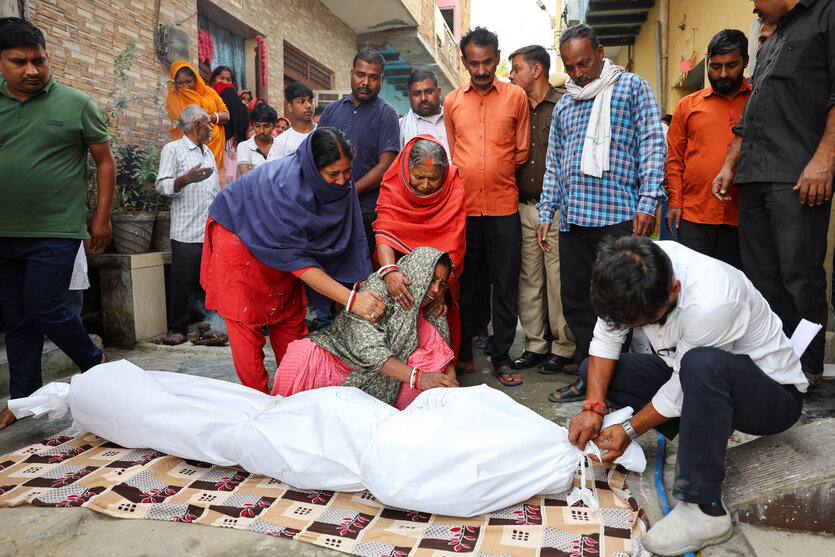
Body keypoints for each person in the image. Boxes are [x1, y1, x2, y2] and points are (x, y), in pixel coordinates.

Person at [567, 235, 806, 555]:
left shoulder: (713, 300)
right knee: (592, 371)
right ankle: (704, 427)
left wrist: (628, 429)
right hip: (696, 373)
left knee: (700, 364)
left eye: (646, 322)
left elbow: (681, 387)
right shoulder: (628, 271)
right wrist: (593, 407)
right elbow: (605, 340)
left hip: (772, 396)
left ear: (674, 290)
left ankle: (704, 510)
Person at [538, 24, 666, 401]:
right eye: (571, 67)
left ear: (600, 51)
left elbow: (653, 147)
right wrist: (547, 211)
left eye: (584, 63)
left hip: (619, 218)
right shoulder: (565, 104)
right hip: (575, 219)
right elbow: (554, 164)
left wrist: (647, 203)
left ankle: (618, 379)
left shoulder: (632, 88)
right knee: (578, 302)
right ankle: (586, 375)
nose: (578, 73)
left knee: (620, 304)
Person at [202, 127, 382, 393]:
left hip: (279, 244)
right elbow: (299, 264)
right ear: (312, 167)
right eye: (333, 174)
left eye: (348, 172)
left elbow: (352, 236)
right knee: (246, 319)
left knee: (288, 313)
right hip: (237, 236)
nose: (343, 181)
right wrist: (352, 300)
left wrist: (366, 288)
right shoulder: (285, 188)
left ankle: (296, 391)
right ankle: (257, 402)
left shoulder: (340, 185)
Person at [712, 0, 835, 388]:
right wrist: (730, 164)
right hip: (754, 174)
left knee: (799, 275)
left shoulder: (826, 15)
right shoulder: (774, 32)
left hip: (796, 174)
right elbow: (753, 111)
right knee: (761, 279)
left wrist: (824, 160)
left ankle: (806, 367)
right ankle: (774, 362)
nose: (752, 6)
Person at [0, 17, 113, 429]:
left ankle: (93, 361)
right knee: (17, 317)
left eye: (39, 61)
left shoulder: (75, 103)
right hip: (4, 230)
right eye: (19, 62)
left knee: (45, 305)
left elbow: (104, 160)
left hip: (56, 228)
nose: (32, 70)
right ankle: (24, 399)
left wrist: (100, 218)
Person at [444, 26, 530, 386]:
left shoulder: (516, 98)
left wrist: (492, 172)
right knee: (464, 285)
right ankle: (462, 356)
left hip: (503, 208)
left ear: (497, 57)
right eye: (474, 63)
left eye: (488, 62)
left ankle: (502, 357)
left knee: (505, 285)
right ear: (464, 61)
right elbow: (453, 151)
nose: (481, 70)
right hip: (463, 211)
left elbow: (522, 150)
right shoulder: (452, 102)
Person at [272, 247, 459, 408]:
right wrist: (420, 378)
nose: (435, 290)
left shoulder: (431, 309)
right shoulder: (378, 290)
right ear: (417, 273)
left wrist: (452, 394)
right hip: (343, 360)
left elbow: (443, 357)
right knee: (302, 353)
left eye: (442, 284)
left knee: (428, 360)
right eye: (430, 279)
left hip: (389, 375)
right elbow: (368, 349)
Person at [507, 44, 576, 376]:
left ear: (536, 70)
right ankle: (535, 344)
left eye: (516, 68)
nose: (510, 75)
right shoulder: (514, 106)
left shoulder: (564, 104)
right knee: (528, 279)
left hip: (558, 209)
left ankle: (563, 347)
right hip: (522, 207)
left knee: (557, 278)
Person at [373, 136, 467, 363]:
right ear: (407, 169)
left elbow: (453, 243)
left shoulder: (453, 187)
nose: (425, 186)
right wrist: (389, 272)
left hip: (440, 278)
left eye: (433, 179)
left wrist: (441, 289)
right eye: (418, 177)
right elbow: (384, 229)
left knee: (437, 333)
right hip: (397, 275)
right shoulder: (394, 180)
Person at [665, 30, 751, 268]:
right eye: (715, 66)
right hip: (695, 216)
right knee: (693, 284)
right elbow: (674, 160)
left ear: (745, 61)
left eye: (731, 65)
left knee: (735, 288)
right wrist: (675, 203)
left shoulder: (757, 100)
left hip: (743, 217)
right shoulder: (687, 106)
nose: (722, 74)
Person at [317, 48, 400, 256]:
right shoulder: (332, 110)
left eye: (373, 77)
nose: (365, 82)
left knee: (359, 269)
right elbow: (315, 153)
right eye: (360, 75)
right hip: (328, 205)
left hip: (365, 210)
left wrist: (350, 190)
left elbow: (386, 165)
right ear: (352, 73)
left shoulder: (386, 113)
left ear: (381, 79)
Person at [155, 105, 221, 346]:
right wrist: (186, 179)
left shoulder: (208, 153)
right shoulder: (173, 150)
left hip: (209, 231)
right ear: (196, 125)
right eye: (208, 123)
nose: (211, 127)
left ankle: (207, 327)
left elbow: (215, 190)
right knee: (182, 283)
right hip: (186, 231)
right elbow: (162, 186)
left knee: (208, 283)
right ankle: (179, 329)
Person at [165, 61, 229, 181]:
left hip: (215, 148)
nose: (185, 86)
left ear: (196, 79)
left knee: (214, 183)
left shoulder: (209, 92)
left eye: (189, 81)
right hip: (190, 151)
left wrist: (210, 118)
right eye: (180, 83)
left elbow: (226, 115)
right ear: (174, 83)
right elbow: (190, 122)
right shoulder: (173, 99)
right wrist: (189, 96)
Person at [209, 65, 249, 186]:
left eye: (229, 80)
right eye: (222, 78)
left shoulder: (232, 97)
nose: (225, 83)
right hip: (211, 146)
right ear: (212, 81)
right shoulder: (206, 98)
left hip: (230, 149)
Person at [399, 69, 450, 156]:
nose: (423, 98)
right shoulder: (400, 128)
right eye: (417, 94)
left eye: (429, 92)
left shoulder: (454, 119)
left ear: (439, 92)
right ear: (410, 96)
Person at [274, 81, 316, 159]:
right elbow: (275, 169)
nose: (308, 106)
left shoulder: (323, 132)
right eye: (301, 102)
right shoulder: (281, 141)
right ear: (290, 107)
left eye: (310, 101)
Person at [237, 103, 281, 176]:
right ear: (252, 124)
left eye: (266, 126)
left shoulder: (281, 146)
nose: (261, 131)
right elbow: (247, 177)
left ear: (274, 125)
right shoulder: (244, 146)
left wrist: (255, 172)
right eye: (257, 126)